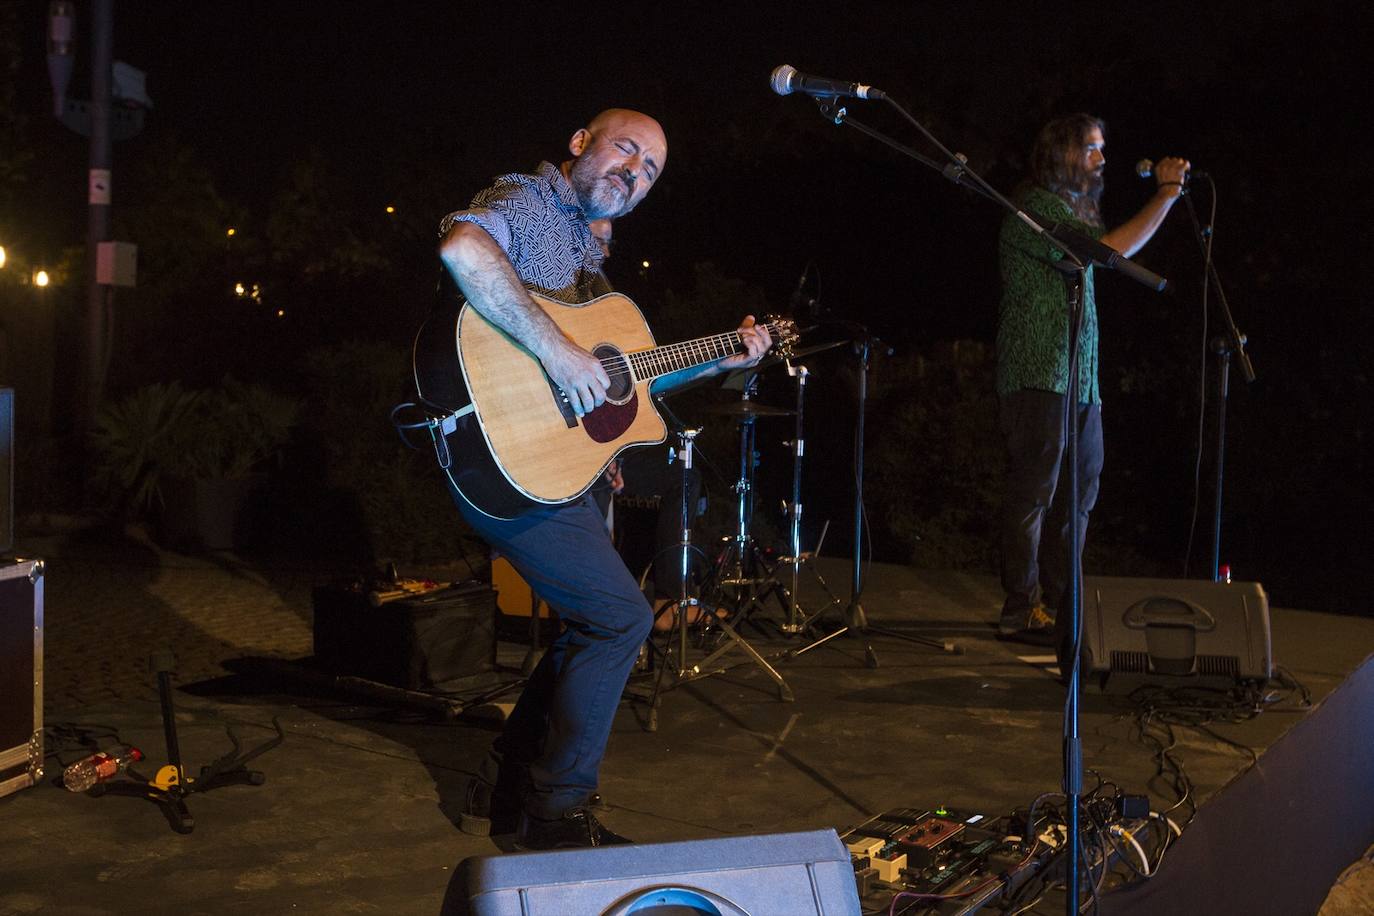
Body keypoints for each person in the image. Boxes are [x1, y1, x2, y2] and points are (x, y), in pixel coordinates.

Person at [437, 109, 772, 849]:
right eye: (628, 148)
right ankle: (554, 813)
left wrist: (722, 359)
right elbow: (464, 248)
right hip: (499, 456)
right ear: (580, 142)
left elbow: (624, 377)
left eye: (651, 170)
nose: (636, 171)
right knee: (621, 618)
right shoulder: (531, 201)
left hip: (555, 467)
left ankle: (507, 782)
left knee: (592, 624)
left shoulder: (591, 260)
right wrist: (561, 355)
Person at [995, 113, 1188, 647]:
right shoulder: (1033, 210)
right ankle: (1020, 608)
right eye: (1091, 149)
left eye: (1103, 148)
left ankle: (1062, 609)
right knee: (1034, 493)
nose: (1103, 160)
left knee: (1078, 496)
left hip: (1079, 381)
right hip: (1038, 372)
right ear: (1062, 155)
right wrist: (1166, 195)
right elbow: (1107, 252)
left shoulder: (1074, 213)